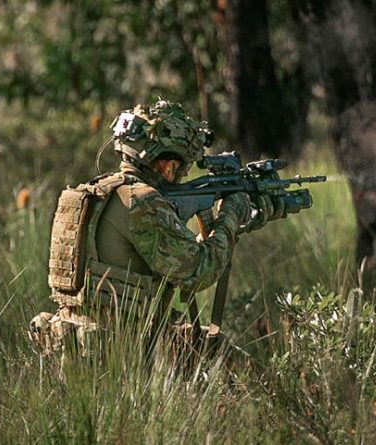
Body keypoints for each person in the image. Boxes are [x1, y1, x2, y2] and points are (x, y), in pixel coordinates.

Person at [35, 99, 282, 359]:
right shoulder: (144, 202)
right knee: (225, 357)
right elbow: (199, 272)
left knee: (207, 342)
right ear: (167, 165)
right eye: (181, 168)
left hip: (75, 343)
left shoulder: (93, 194)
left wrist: (224, 230)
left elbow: (173, 257)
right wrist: (231, 216)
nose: (180, 175)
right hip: (122, 351)